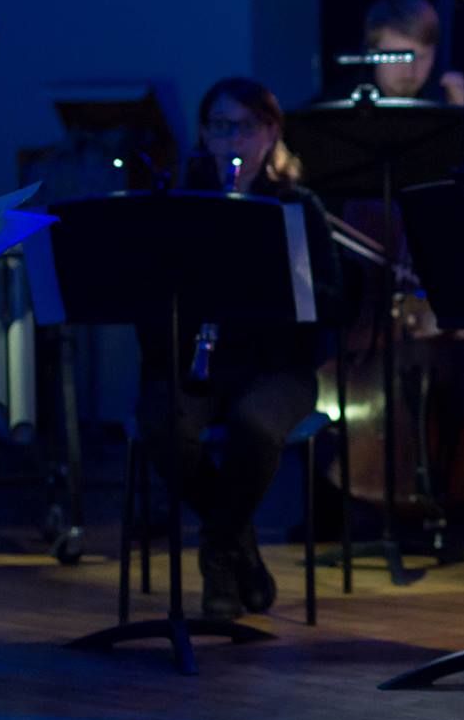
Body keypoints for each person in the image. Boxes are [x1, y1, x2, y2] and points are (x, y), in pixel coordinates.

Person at [137, 77, 344, 620]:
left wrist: (281, 281)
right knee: (162, 424)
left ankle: (218, 554)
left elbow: (334, 299)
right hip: (202, 362)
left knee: (255, 425)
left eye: (246, 127)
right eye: (221, 127)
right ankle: (239, 547)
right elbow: (149, 298)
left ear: (271, 133)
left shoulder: (297, 206)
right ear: (204, 134)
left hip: (280, 367)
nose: (233, 140)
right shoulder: (182, 207)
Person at [363, 0, 464, 105]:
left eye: (421, 57)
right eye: (399, 57)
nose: (409, 71)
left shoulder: (444, 101)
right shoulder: (349, 105)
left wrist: (460, 112)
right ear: (372, 51)